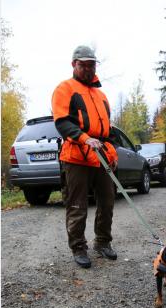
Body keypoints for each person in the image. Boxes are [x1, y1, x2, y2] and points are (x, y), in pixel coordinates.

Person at [51, 45, 119, 268]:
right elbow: (62, 122)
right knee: (77, 205)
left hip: (100, 155)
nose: (88, 69)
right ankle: (79, 247)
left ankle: (102, 242)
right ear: (74, 64)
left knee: (107, 201)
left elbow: (107, 130)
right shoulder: (65, 89)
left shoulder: (101, 95)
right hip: (76, 156)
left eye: (92, 65)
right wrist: (83, 138)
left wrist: (111, 151)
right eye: (84, 65)